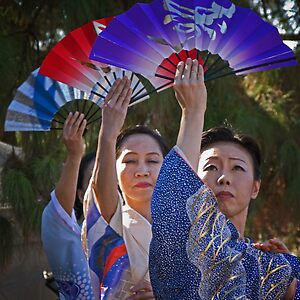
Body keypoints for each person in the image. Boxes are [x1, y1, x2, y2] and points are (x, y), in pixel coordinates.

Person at [149, 58, 300, 299]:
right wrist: (193, 111)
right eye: (210, 167)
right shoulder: (181, 246)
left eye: (238, 168)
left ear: (255, 187)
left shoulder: (277, 268)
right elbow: (174, 209)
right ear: (193, 180)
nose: (223, 178)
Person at [82, 77, 169, 299]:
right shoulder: (114, 224)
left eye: (152, 160)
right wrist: (108, 135)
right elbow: (102, 201)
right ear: (114, 170)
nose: (141, 170)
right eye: (130, 161)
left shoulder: (185, 227)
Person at [42, 112, 95, 299]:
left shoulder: (148, 235)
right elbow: (58, 212)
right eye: (95, 179)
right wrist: (74, 156)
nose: (108, 186)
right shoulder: (74, 243)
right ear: (80, 195)